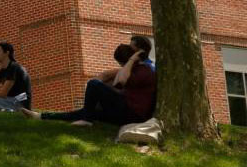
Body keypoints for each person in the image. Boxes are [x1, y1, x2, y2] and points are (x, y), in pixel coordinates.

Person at [21, 44, 157, 126]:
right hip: (126, 113)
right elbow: (117, 84)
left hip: (132, 114)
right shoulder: (133, 70)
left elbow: (120, 81)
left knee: (94, 84)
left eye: (121, 64)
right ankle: (41, 116)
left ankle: (87, 120)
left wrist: (132, 60)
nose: (121, 67)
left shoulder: (143, 71)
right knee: (88, 111)